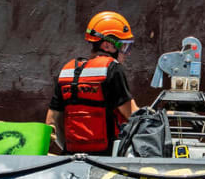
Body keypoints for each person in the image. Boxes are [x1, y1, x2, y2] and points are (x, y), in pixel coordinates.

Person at [45, 11, 140, 154]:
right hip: (106, 158)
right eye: (124, 47)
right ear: (107, 46)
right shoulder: (113, 69)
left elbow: (51, 122)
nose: (127, 53)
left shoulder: (67, 71)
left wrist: (71, 151)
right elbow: (132, 116)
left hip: (71, 158)